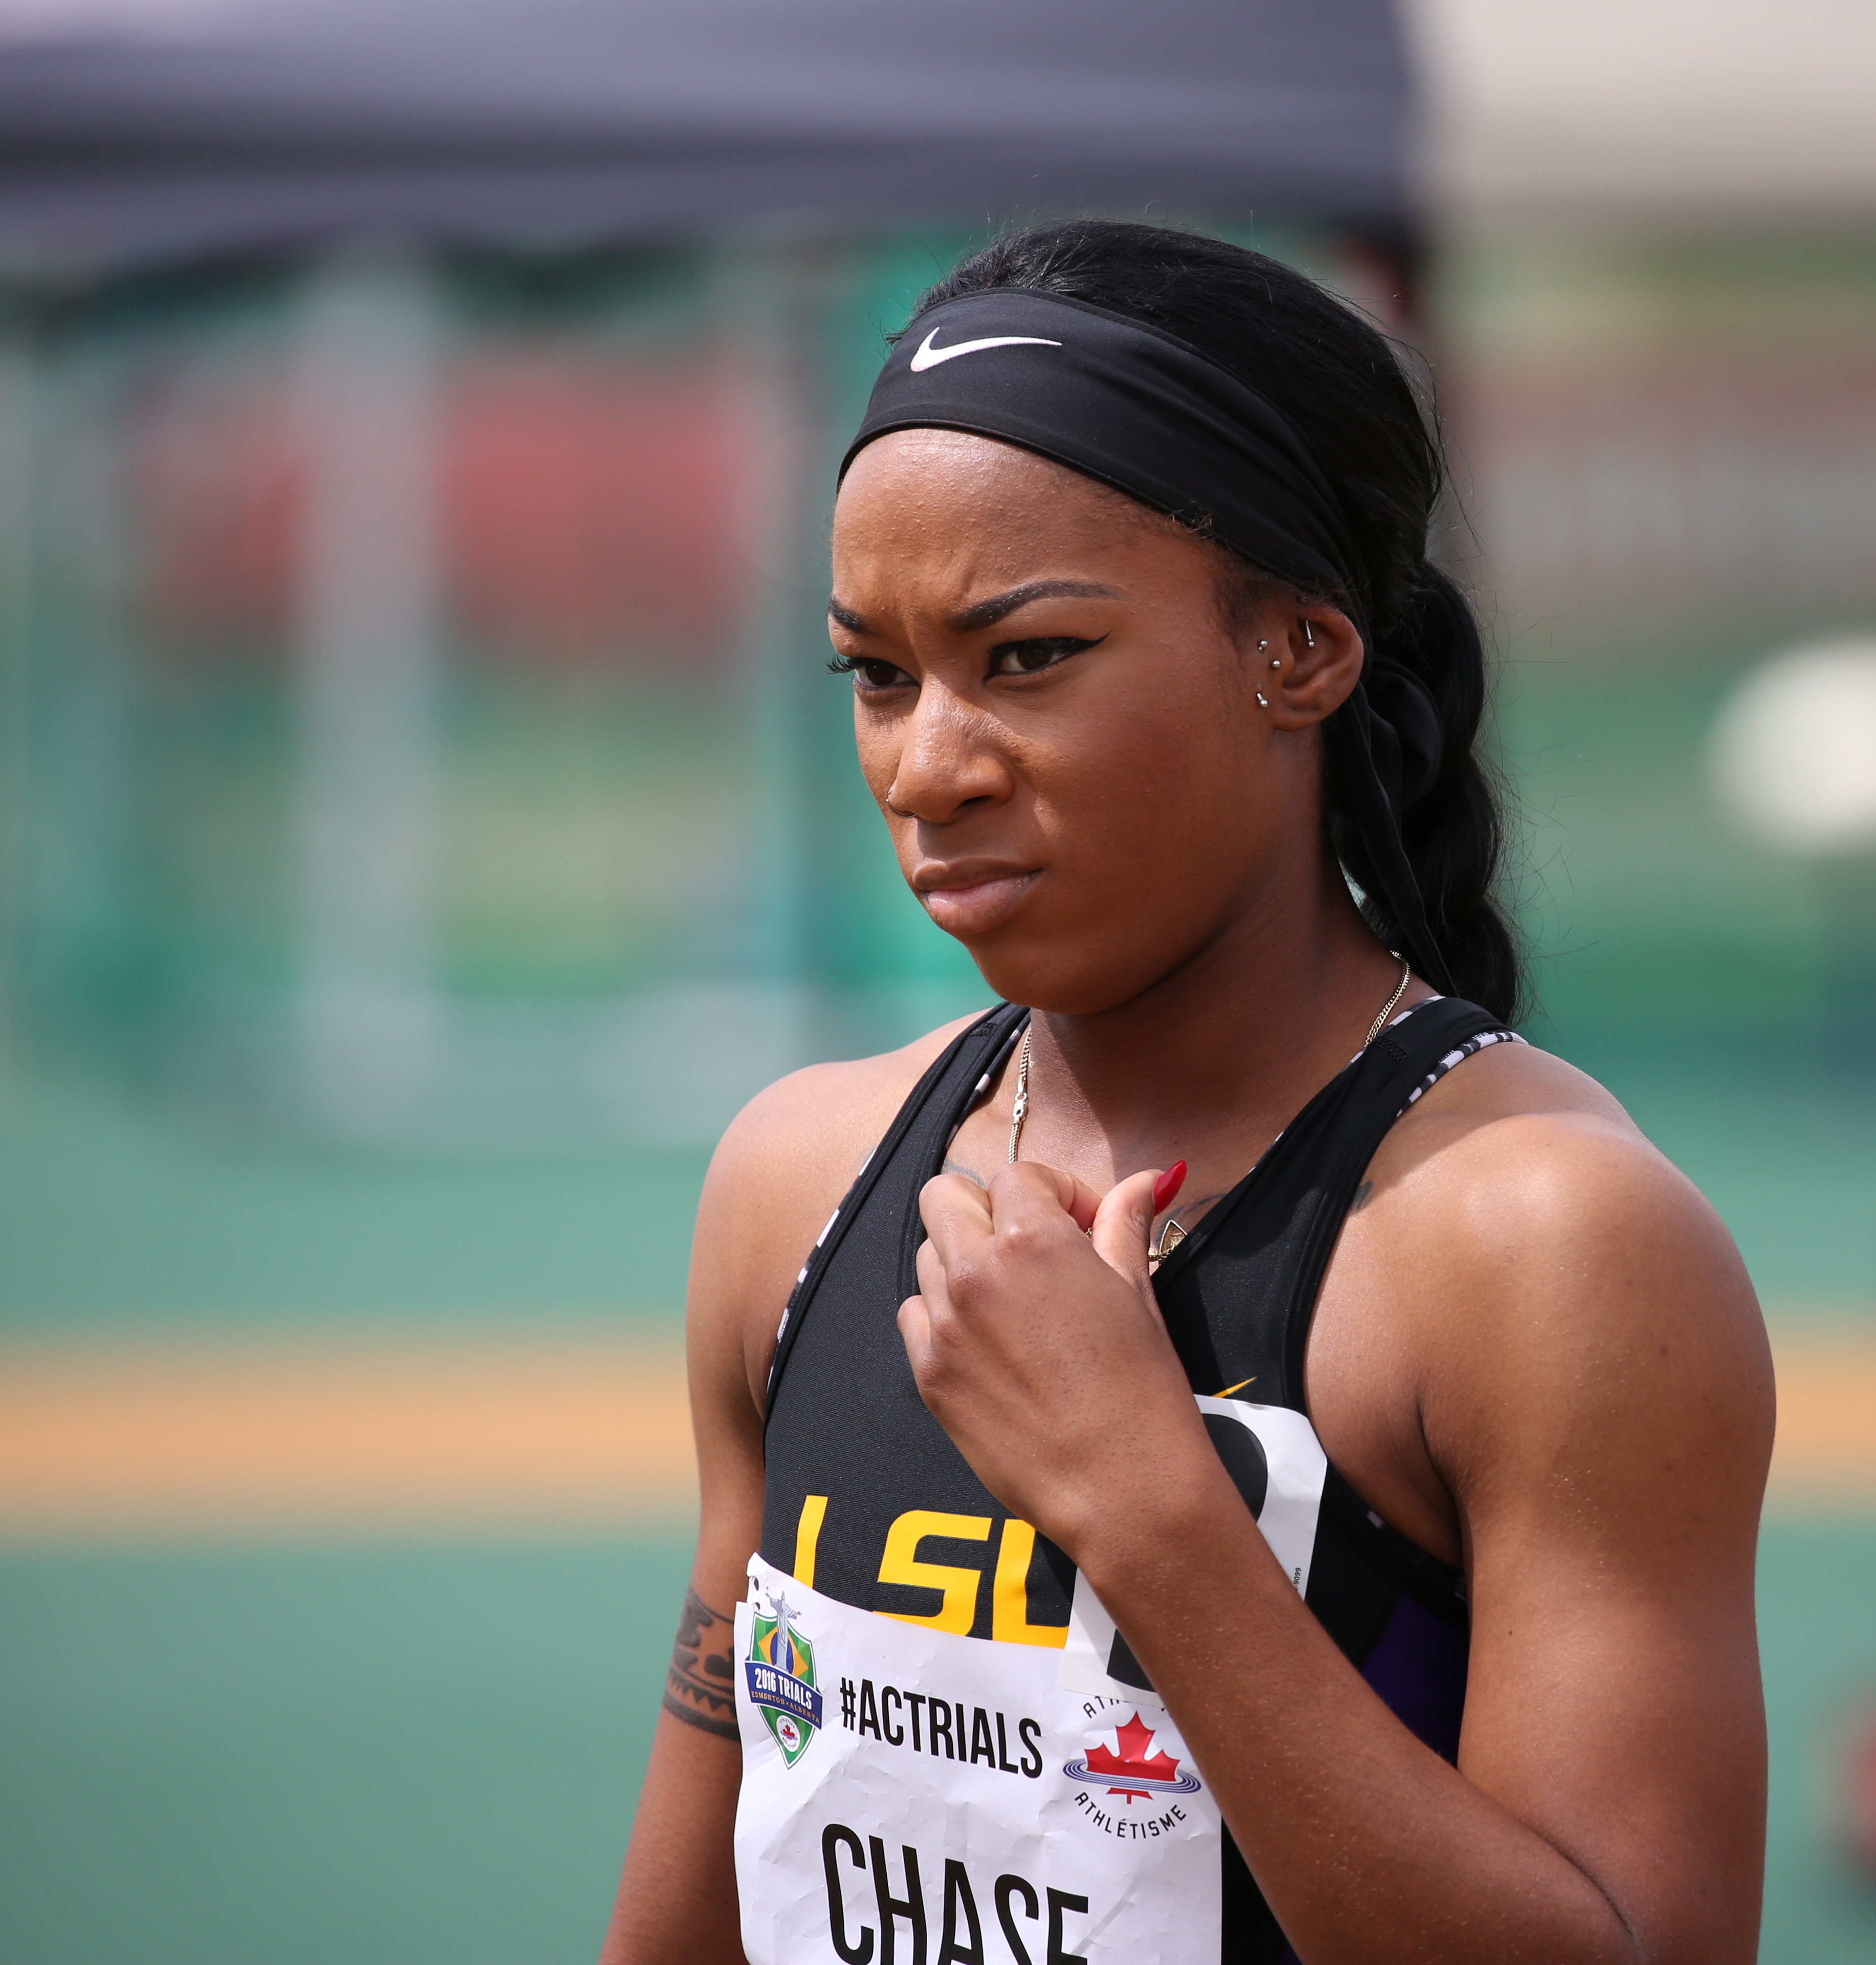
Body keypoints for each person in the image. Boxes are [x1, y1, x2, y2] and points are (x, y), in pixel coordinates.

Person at [599, 220, 1772, 1965]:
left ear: (1297, 652)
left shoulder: (1542, 1245)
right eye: (876, 674)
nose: (928, 766)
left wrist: (1154, 1516)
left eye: (1029, 657)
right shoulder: (800, 1179)